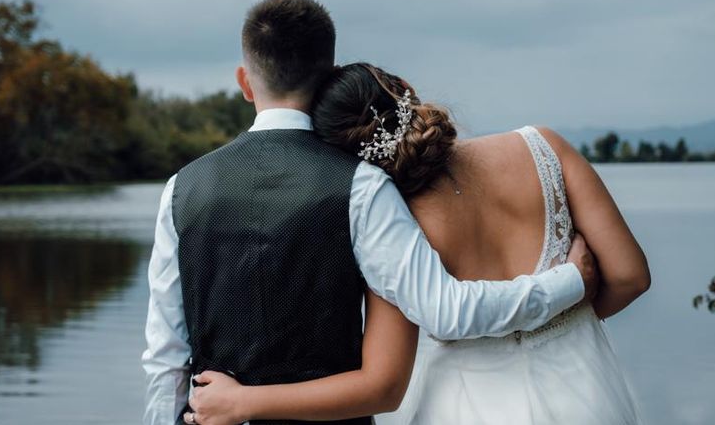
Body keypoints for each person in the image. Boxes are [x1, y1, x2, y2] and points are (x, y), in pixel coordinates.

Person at [141, 0, 599, 425]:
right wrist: (570, 281)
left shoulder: (182, 189)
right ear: (328, 77)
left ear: (244, 81)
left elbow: (165, 359)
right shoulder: (362, 187)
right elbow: (446, 311)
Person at [188, 62, 650, 424]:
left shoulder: (389, 220)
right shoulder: (543, 146)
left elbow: (385, 378)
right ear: (404, 89)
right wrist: (558, 320)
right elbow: (630, 276)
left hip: (465, 406)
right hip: (582, 388)